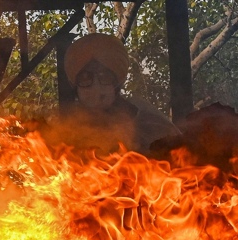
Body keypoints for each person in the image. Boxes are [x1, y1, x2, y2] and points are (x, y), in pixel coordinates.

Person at [43, 33, 179, 155]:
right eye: (85, 78)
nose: (96, 87)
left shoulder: (151, 125)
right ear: (75, 85)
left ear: (117, 83)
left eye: (105, 77)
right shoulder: (65, 134)